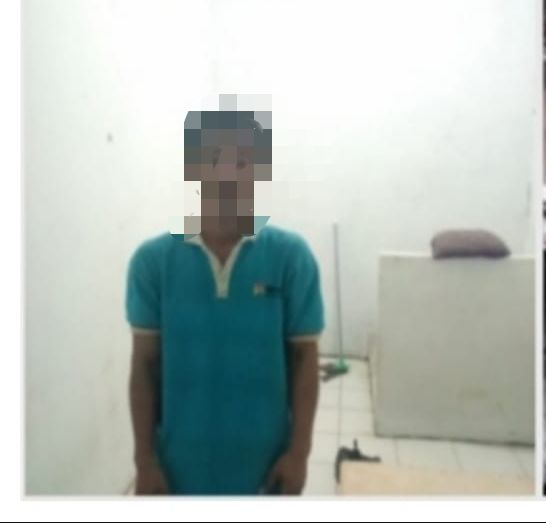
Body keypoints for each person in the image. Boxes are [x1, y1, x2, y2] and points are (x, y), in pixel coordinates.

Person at [126, 106, 325, 495]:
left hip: (265, 470)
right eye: (215, 159)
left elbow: (305, 360)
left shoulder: (291, 257)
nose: (229, 173)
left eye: (244, 162)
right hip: (178, 469)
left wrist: (299, 454)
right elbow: (144, 367)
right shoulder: (152, 262)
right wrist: (145, 461)